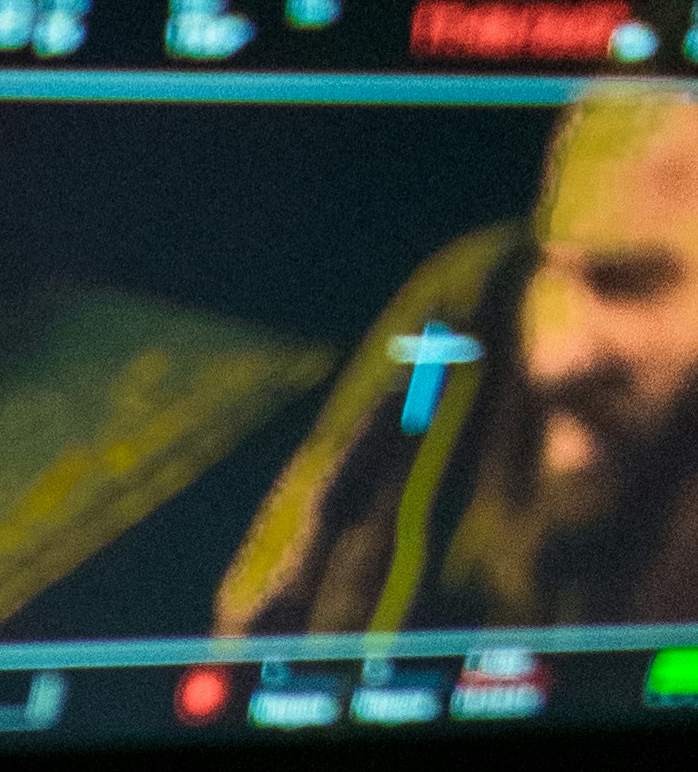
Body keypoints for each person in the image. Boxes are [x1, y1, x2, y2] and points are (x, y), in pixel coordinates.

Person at [222, 79, 698, 642]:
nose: (549, 358)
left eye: (628, 283)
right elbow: (316, 507)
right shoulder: (467, 301)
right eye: (551, 266)